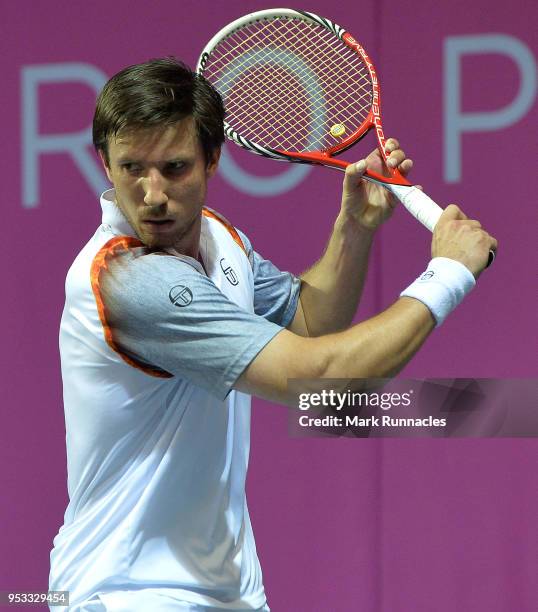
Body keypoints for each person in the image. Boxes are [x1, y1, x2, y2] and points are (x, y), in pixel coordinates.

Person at [49, 58, 497, 611]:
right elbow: (321, 381)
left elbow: (308, 319)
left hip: (228, 591)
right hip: (127, 593)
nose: (153, 193)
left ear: (212, 160)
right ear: (105, 164)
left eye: (174, 166)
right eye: (131, 168)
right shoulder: (130, 278)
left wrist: (353, 230)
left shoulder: (216, 238)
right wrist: (448, 274)